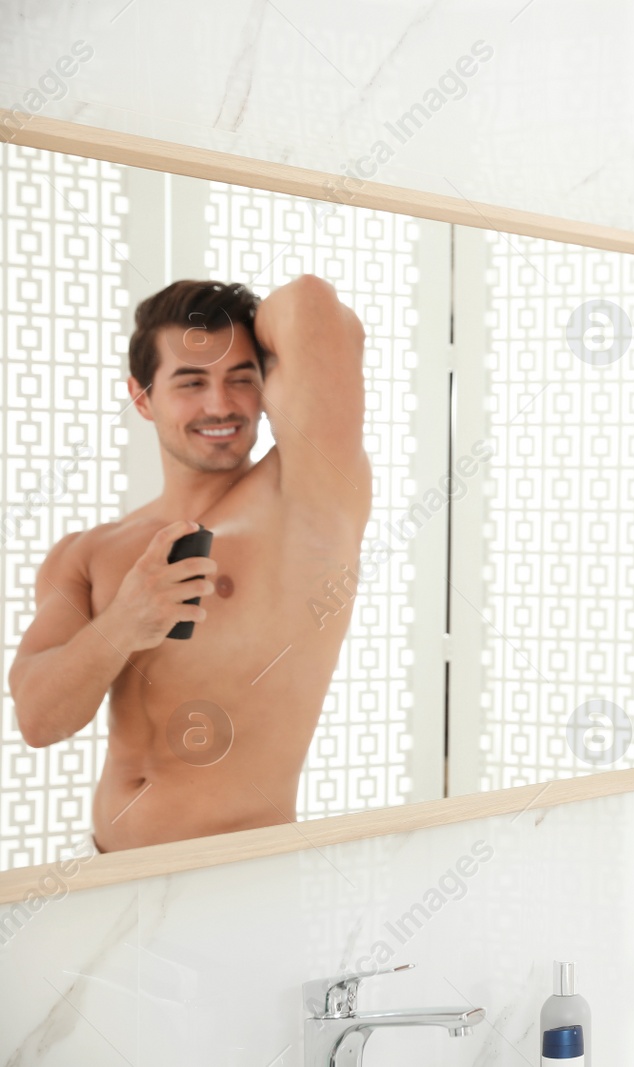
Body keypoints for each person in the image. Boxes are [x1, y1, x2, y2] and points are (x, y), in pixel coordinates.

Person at [8, 276, 372, 853]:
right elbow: (38, 720)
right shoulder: (89, 551)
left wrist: (240, 322)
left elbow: (312, 306)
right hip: (103, 870)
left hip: (237, 878)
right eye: (191, 380)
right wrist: (127, 620)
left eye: (241, 379)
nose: (220, 404)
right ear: (142, 398)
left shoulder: (306, 498)